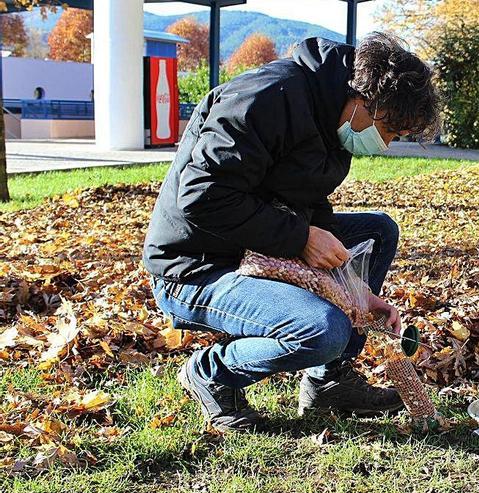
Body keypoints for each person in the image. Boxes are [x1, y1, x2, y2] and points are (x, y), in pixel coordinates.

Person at [142, 33, 439, 432]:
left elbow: (310, 203)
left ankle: (328, 380)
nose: (385, 145)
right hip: (197, 266)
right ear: (368, 100)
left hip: (254, 246)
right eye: (390, 131)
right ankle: (212, 372)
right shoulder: (263, 98)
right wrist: (301, 239)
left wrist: (355, 291)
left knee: (377, 232)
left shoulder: (331, 117)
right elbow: (201, 197)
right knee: (323, 330)